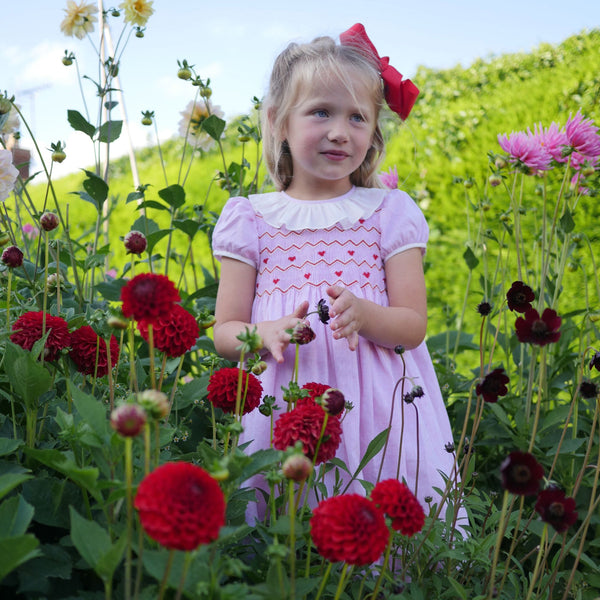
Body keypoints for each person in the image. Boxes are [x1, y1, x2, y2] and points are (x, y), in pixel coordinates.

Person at [212, 23, 463, 527]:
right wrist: (262, 332)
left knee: (382, 523)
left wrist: (367, 315)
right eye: (321, 112)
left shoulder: (388, 211)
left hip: (383, 413)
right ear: (279, 121)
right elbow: (224, 331)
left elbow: (413, 324)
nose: (339, 130)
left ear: (373, 131)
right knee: (289, 529)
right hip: (284, 409)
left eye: (357, 116)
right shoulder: (252, 218)